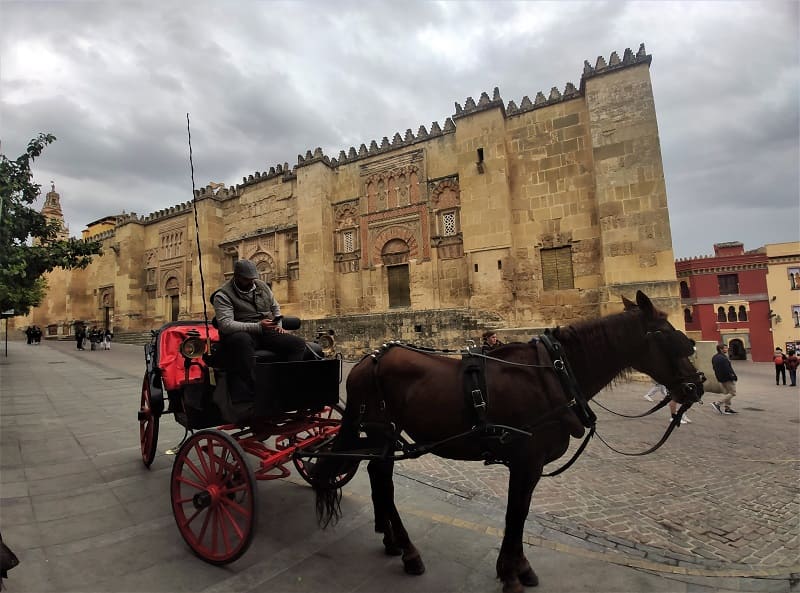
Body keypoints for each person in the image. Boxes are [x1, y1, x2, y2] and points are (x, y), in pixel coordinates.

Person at [211, 259, 307, 401]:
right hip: (238, 332)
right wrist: (257, 326)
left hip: (264, 329)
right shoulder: (222, 295)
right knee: (242, 341)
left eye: (252, 279)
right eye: (246, 279)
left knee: (297, 344)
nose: (251, 282)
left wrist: (278, 325)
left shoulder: (261, 286)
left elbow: (275, 307)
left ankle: (288, 385)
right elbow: (226, 325)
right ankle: (252, 390)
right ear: (236, 277)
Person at [710, 343, 738, 415]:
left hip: (720, 377)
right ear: (721, 349)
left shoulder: (715, 357)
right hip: (727, 378)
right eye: (725, 348)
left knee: (727, 393)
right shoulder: (723, 358)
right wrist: (733, 376)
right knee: (732, 392)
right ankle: (717, 403)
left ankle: (727, 408)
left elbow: (714, 368)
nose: (727, 349)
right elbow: (728, 369)